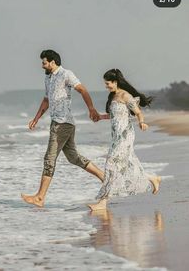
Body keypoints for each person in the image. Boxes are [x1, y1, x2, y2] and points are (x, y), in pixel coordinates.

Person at [21, 49, 104, 207]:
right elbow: (46, 100)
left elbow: (82, 89)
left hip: (63, 123)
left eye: (44, 62)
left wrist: (91, 109)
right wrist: (36, 118)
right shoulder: (48, 78)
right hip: (58, 122)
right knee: (73, 157)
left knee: (49, 158)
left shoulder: (66, 74)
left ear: (53, 62)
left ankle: (40, 197)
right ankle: (103, 176)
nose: (42, 66)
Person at [88, 68, 162, 211]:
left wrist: (141, 123)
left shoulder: (125, 96)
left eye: (108, 83)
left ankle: (102, 203)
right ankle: (152, 179)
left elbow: (138, 112)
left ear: (115, 82)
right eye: (105, 84)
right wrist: (100, 117)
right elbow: (114, 116)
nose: (106, 86)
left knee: (111, 165)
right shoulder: (113, 96)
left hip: (125, 136)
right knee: (124, 167)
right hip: (116, 137)